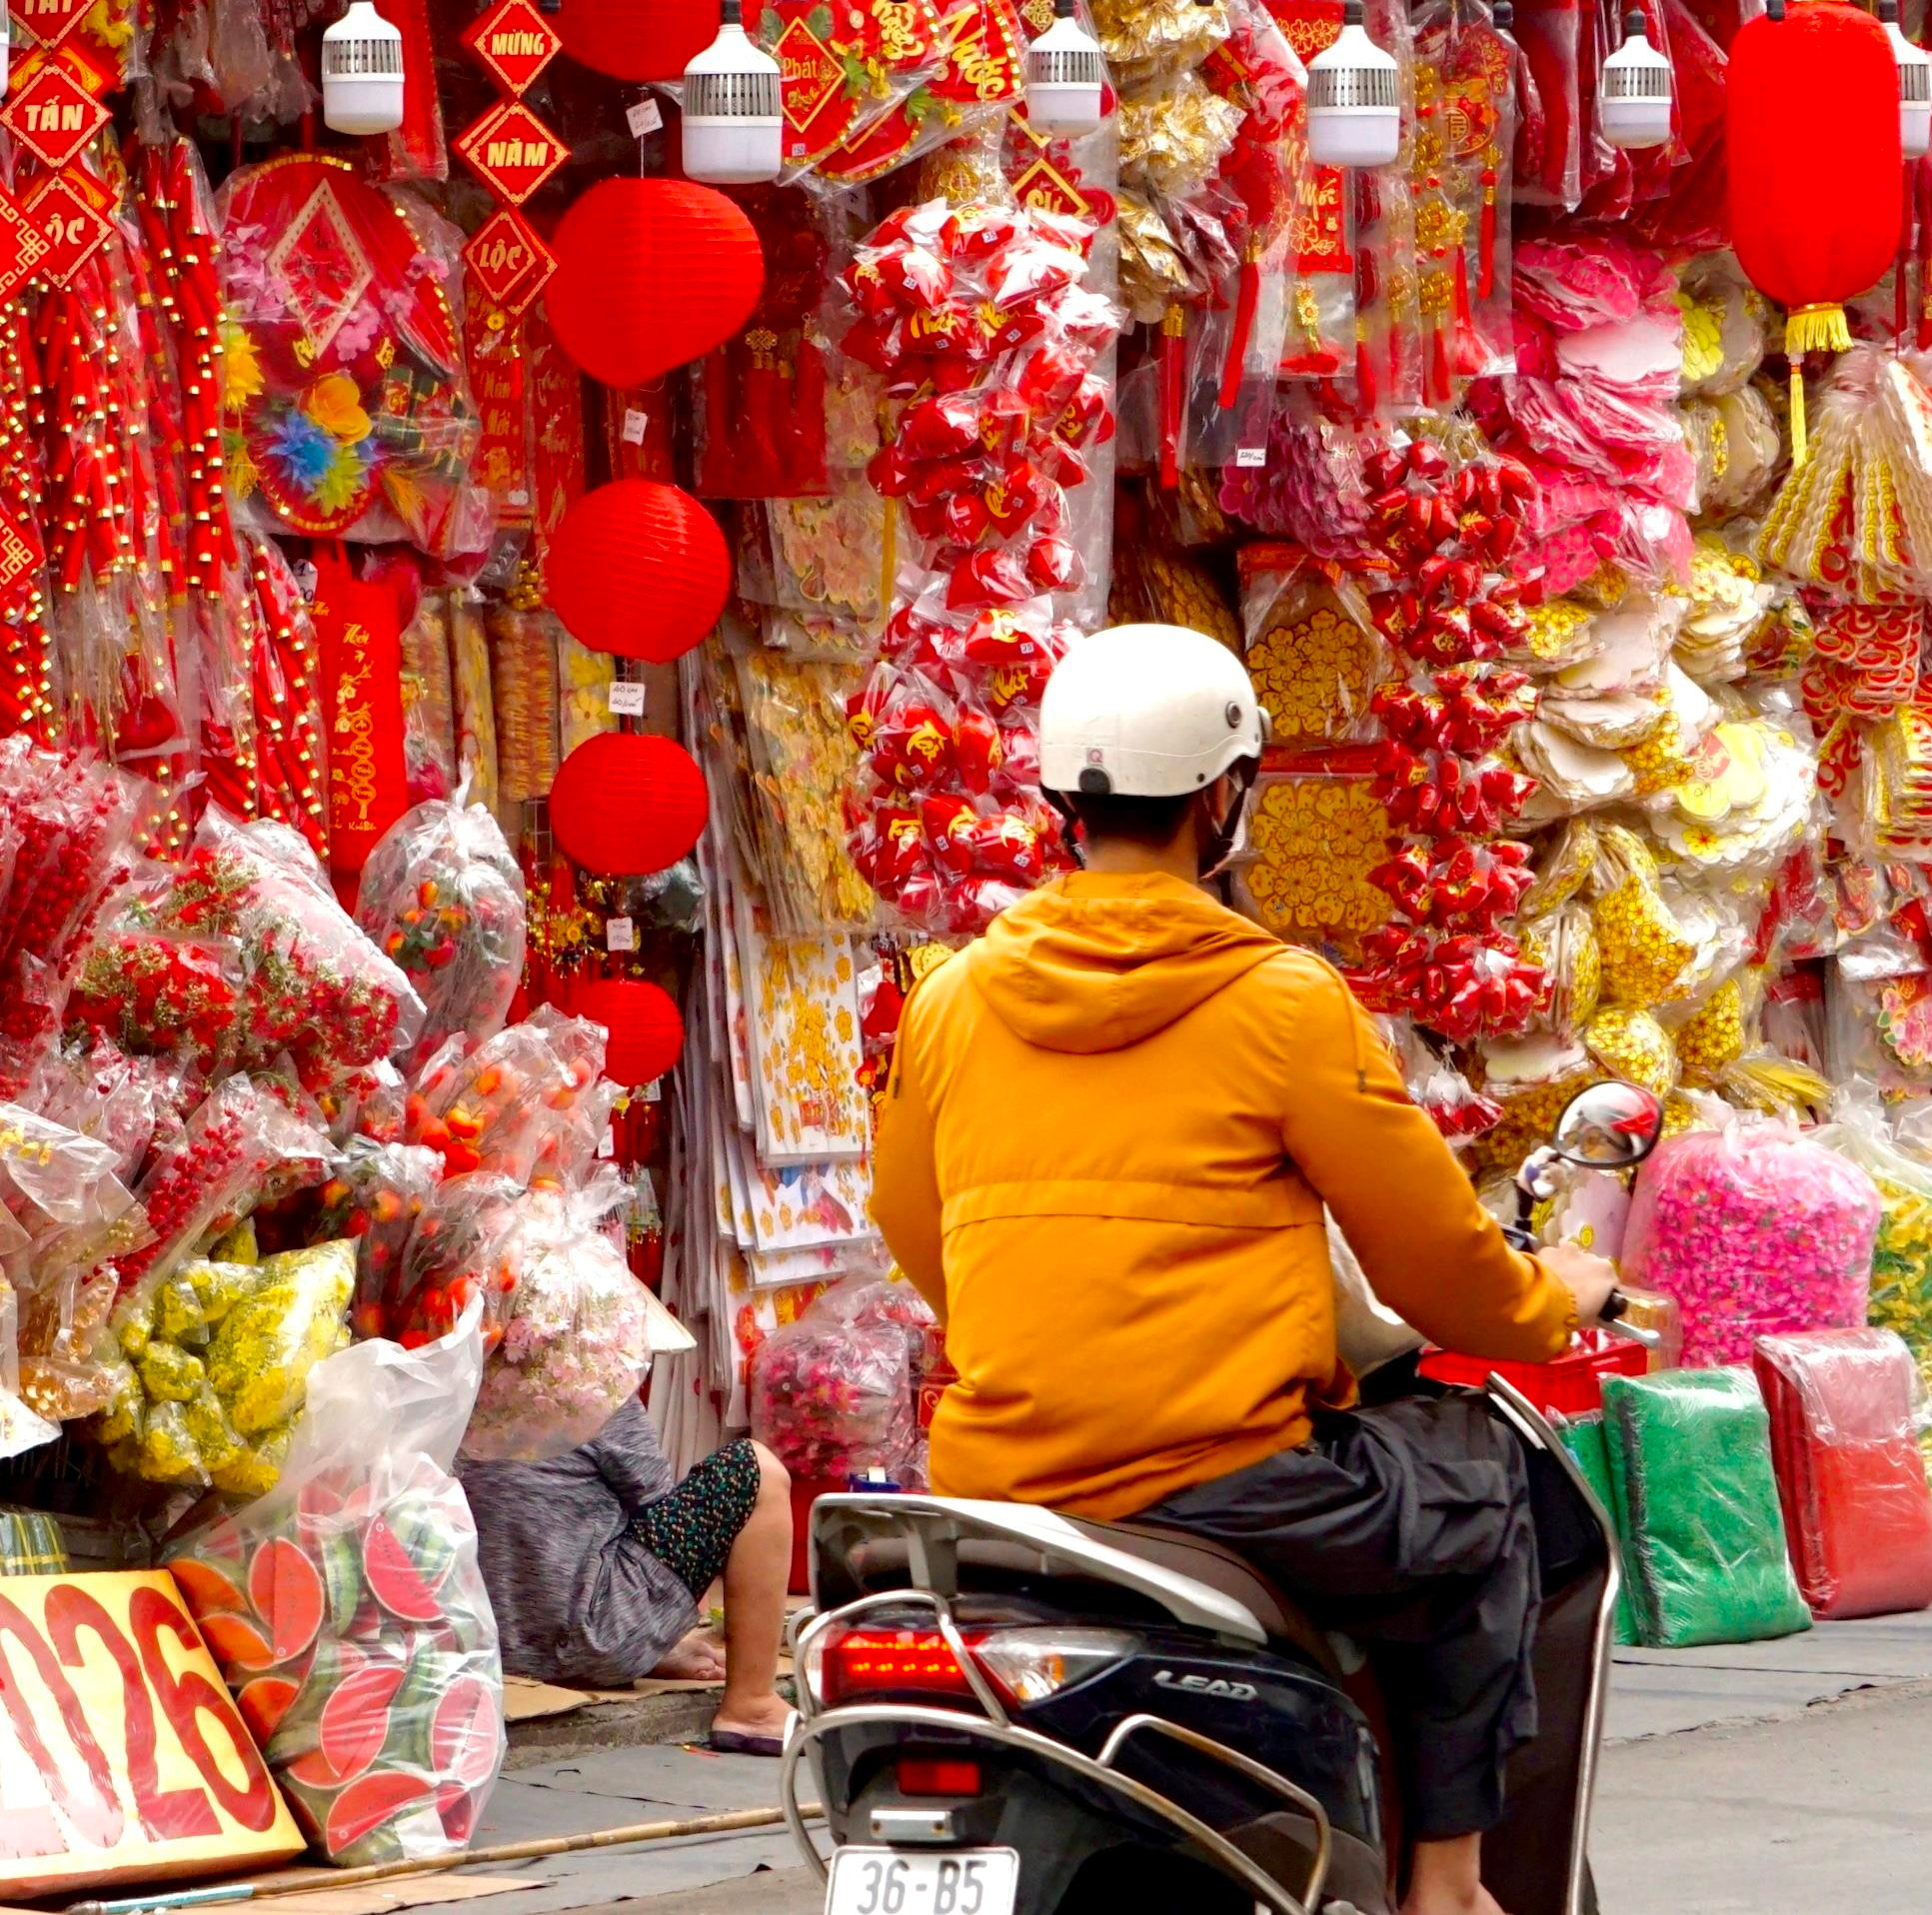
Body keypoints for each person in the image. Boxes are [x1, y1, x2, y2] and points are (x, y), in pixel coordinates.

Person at [871, 622, 1623, 1915]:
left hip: (1000, 1475)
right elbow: (1437, 1266)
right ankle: (1446, 1883)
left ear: (1063, 803)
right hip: (1212, 1482)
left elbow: (920, 1235)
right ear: (1222, 798)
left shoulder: (950, 999)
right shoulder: (1280, 998)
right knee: (1478, 1485)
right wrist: (1551, 1301)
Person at [458, 1399, 797, 1755]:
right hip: (591, 1633)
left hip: (489, 1644)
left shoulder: (449, 1382)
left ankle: (640, 1646)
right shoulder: (593, 1389)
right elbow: (657, 1502)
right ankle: (753, 1705)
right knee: (757, 1468)